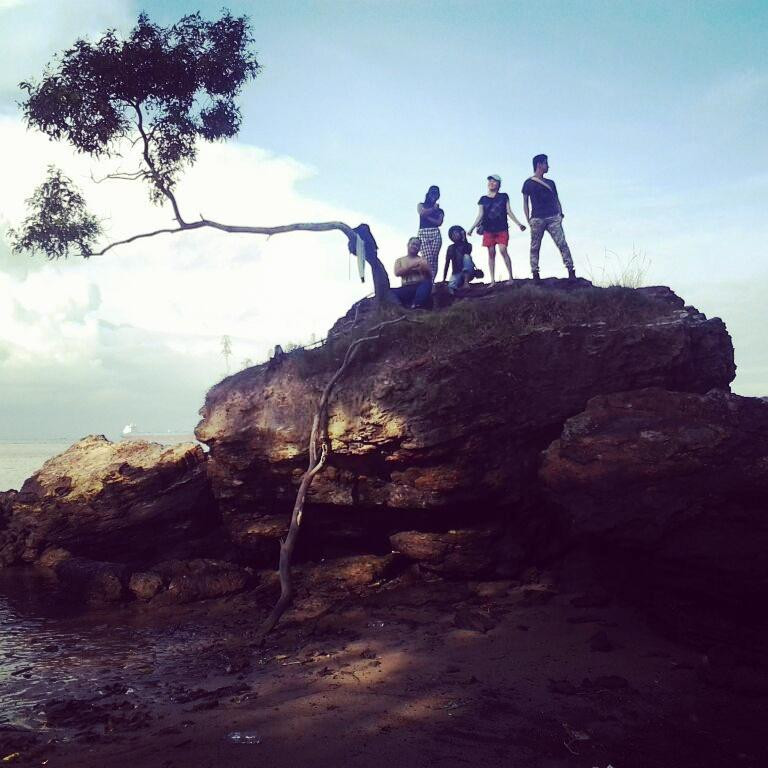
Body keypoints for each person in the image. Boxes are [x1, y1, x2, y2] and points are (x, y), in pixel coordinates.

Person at [522, 154, 576, 282]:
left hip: (553, 217)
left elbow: (556, 199)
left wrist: (560, 214)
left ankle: (571, 270)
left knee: (562, 243)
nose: (548, 166)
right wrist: (528, 219)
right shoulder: (528, 183)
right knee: (535, 246)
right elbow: (525, 202)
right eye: (546, 163)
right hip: (537, 218)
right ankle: (535, 273)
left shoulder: (551, 183)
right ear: (539, 165)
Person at [468, 174, 526, 285]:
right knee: (491, 253)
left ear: (499, 184)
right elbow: (480, 215)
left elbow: (509, 211)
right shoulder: (483, 199)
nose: (491, 183)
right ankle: (492, 280)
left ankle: (510, 277)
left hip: (502, 228)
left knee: (503, 250)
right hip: (488, 229)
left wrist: (519, 224)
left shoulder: (503, 196)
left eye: (494, 181)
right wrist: (472, 228)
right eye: (490, 181)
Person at [393, 236, 434, 308]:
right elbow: (397, 273)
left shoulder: (423, 260)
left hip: (420, 286)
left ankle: (416, 305)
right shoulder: (399, 260)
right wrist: (412, 266)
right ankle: (402, 306)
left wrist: (423, 269)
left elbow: (430, 274)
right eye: (413, 244)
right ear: (408, 244)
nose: (415, 247)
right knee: (390, 292)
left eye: (417, 245)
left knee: (427, 283)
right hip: (406, 287)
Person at [443, 225, 482, 294]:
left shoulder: (468, 245)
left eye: (456, 233)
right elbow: (447, 263)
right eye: (452, 234)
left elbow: (466, 251)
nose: (454, 235)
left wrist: (464, 237)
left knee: (466, 256)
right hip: (457, 273)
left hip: (469, 273)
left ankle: (466, 283)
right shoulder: (450, 248)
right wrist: (444, 279)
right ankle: (458, 293)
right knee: (451, 286)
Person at [417, 185, 444, 278]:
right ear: (428, 194)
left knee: (434, 259)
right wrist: (432, 209)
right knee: (427, 258)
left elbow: (439, 222)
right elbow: (422, 212)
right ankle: (426, 279)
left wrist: (427, 216)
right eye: (432, 193)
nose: (434, 196)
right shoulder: (421, 205)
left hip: (435, 232)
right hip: (423, 232)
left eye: (436, 194)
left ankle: (431, 281)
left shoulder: (440, 210)